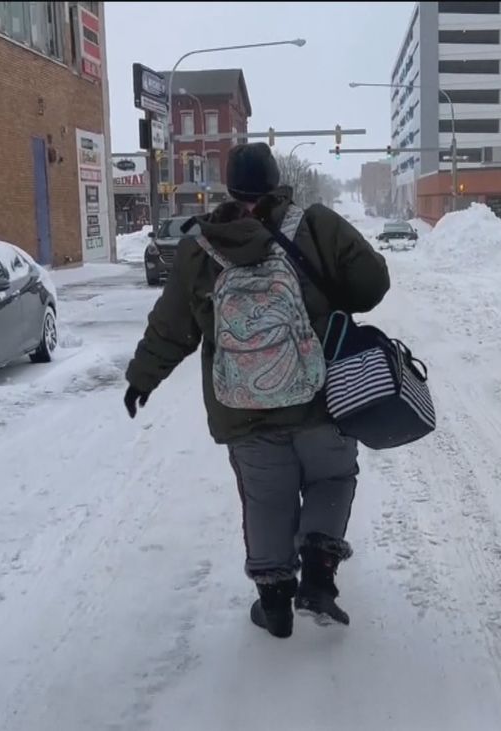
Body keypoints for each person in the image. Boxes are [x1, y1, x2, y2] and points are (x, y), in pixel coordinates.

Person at [123, 142, 390, 639]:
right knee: (332, 479)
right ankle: (318, 577)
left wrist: (143, 377)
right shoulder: (314, 224)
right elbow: (372, 287)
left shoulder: (200, 245)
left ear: (229, 186)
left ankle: (274, 604)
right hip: (318, 398)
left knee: (266, 499)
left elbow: (172, 327)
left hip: (243, 407)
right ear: (276, 182)